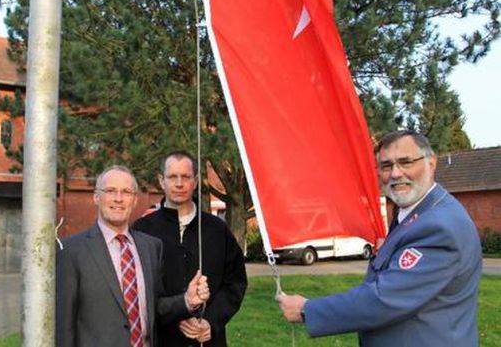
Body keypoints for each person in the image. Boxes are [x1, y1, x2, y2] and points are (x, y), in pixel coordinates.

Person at [276, 130, 482, 346]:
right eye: (386, 166)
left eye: (406, 162)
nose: (395, 173)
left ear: (431, 163)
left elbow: (385, 299)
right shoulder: (415, 213)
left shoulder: (439, 226)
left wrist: (307, 310)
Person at [56, 165, 210, 347]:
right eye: (110, 191)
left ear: (135, 200)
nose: (119, 198)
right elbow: (63, 326)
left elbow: (154, 307)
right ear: (96, 197)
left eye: (127, 192)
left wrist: (187, 300)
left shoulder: (151, 247)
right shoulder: (71, 250)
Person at [133, 151, 248, 346]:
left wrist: (211, 322)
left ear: (195, 181)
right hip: (162, 340)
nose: (179, 183)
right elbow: (138, 293)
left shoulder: (217, 230)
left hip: (209, 340)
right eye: (172, 177)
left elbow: (235, 282)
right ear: (162, 181)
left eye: (186, 177)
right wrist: (177, 310)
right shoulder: (142, 230)